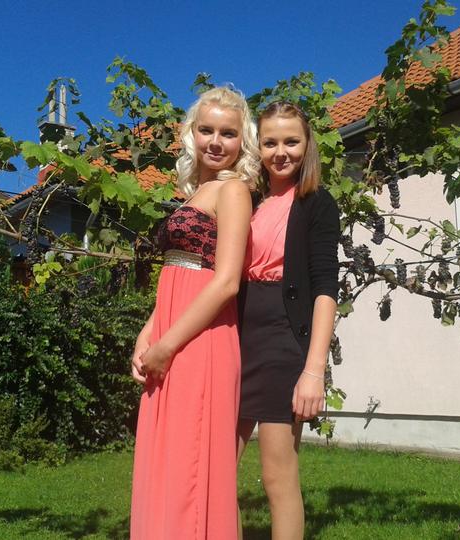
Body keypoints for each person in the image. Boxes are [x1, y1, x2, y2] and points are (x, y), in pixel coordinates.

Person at [130, 86, 259, 540]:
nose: (216, 142)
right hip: (173, 336)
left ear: (242, 141)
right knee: (167, 460)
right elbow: (177, 271)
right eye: (207, 130)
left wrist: (167, 344)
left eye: (228, 133)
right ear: (191, 133)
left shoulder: (233, 191)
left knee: (190, 467)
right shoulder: (195, 193)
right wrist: (149, 332)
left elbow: (225, 282)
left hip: (201, 343)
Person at [237, 101, 340, 539]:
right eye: (270, 142)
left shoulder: (317, 203)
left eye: (291, 141)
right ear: (257, 146)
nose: (281, 152)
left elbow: (325, 288)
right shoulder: (245, 197)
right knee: (215, 470)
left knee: (277, 475)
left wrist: (314, 371)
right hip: (234, 334)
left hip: (283, 340)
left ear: (307, 144)